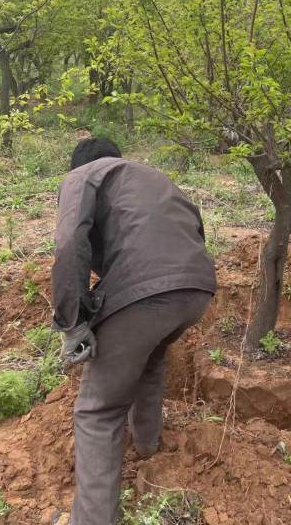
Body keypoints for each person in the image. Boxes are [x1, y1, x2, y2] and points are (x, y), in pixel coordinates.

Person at [50, 138, 216, 525]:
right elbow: (192, 227)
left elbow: (70, 243)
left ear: (78, 165)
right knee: (151, 359)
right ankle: (146, 442)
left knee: (98, 411)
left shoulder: (82, 175)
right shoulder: (153, 176)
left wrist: (72, 323)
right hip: (197, 287)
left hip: (144, 292)